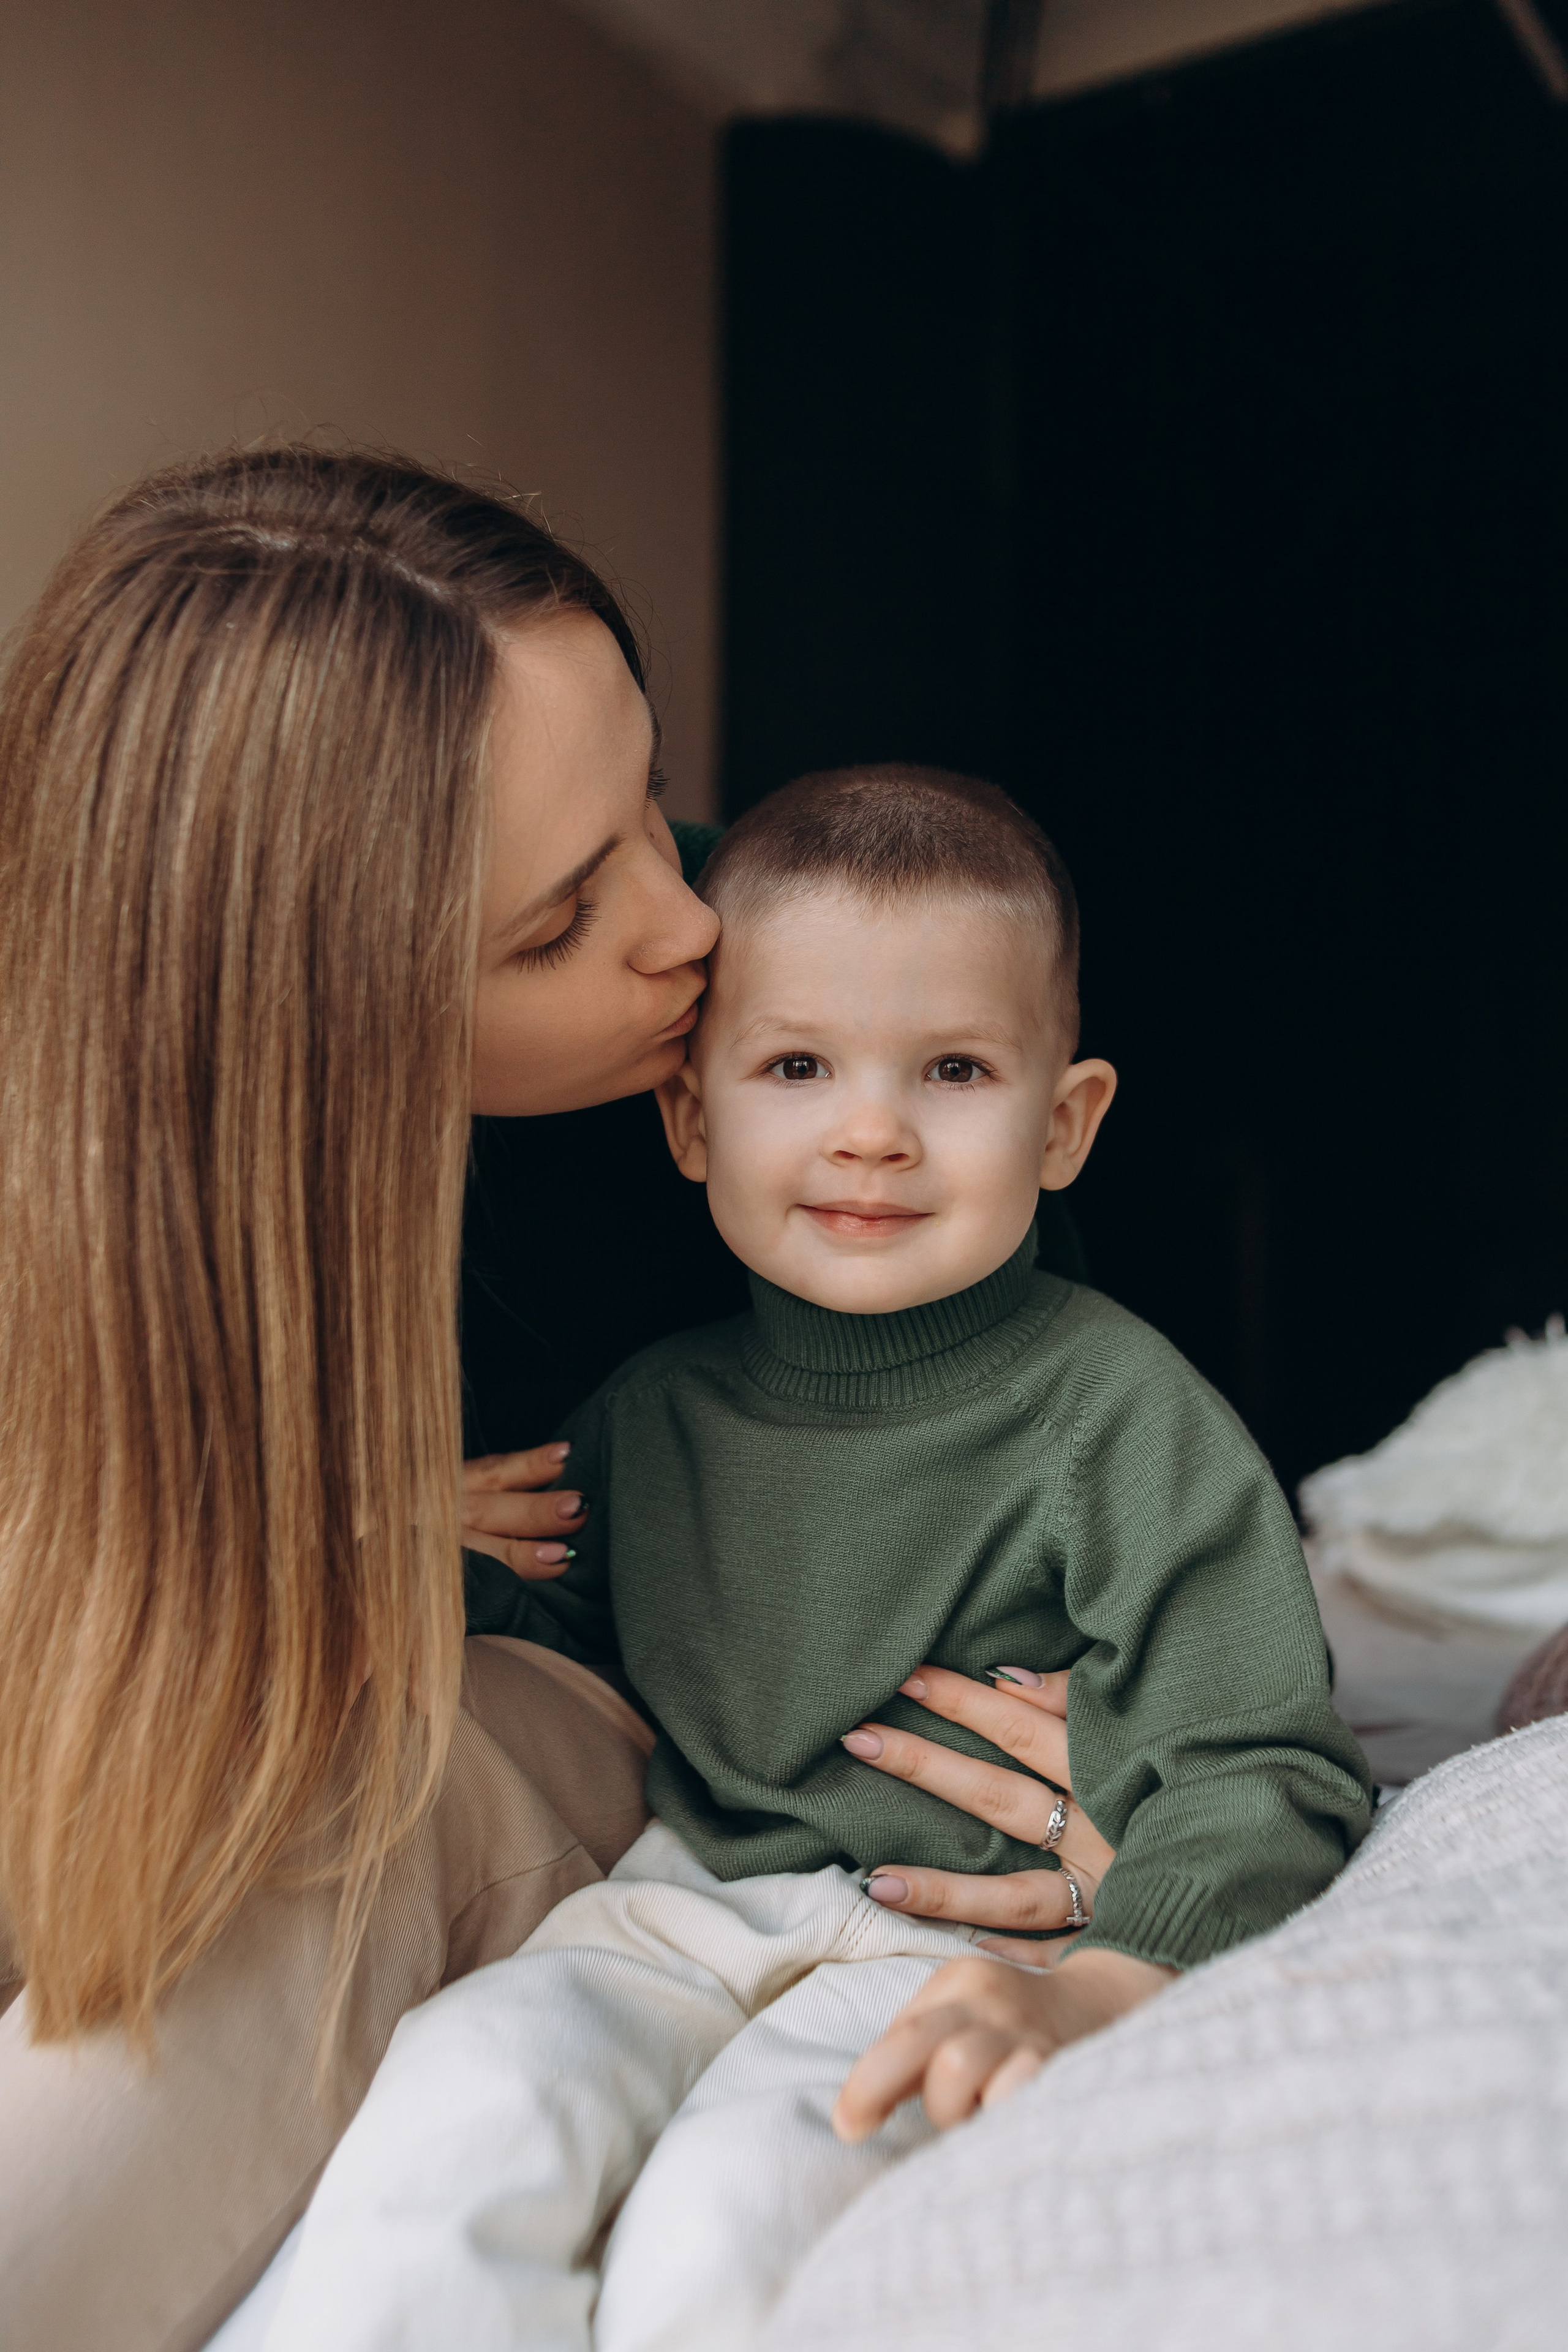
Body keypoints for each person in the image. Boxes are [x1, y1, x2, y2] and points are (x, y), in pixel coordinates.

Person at [0, 448, 1118, 2352]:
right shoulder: (115, 1203)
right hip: (220, 1719)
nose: (686, 924)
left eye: (649, 804)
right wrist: (296, 1526)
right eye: (554, 925)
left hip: (595, 1737)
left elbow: (1061, 1473)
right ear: (322, 1025)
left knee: (372, 1792)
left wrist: (1121, 1732)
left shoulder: (805, 1049)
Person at [263, 765, 1372, 2352]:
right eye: (797, 1065)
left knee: (732, 2225)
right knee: (459, 2115)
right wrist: (377, 1541)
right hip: (680, 1904)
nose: (871, 1132)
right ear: (691, 1120)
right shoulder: (651, 1412)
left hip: (961, 1938)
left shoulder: (1123, 1418)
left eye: (954, 1070)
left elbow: (1261, 1761)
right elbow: (533, 1620)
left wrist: (1105, 1983)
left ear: (1064, 1125)